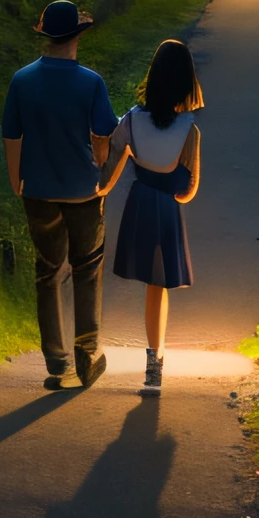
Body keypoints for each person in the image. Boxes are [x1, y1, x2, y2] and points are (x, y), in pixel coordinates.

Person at [1, 0, 118, 391]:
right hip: (83, 191)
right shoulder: (91, 82)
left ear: (46, 36)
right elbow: (104, 135)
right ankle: (87, 355)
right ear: (77, 37)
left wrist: (16, 179)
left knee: (47, 273)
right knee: (87, 269)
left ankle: (56, 361)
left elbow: (12, 135)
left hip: (38, 190)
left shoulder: (22, 80)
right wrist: (101, 172)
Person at [100, 38, 203, 397]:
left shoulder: (130, 120)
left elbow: (108, 171)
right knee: (158, 286)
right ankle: (154, 363)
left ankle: (152, 361)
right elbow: (189, 189)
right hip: (166, 208)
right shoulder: (189, 130)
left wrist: (96, 192)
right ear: (187, 83)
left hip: (139, 203)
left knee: (149, 284)